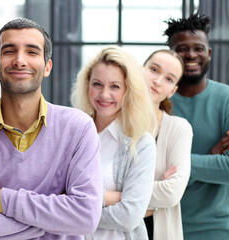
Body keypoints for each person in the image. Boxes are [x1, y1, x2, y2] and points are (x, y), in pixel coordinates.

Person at [0, 18, 102, 239]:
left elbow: (86, 218)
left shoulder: (79, 128)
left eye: (32, 52)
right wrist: (56, 220)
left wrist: (0, 199)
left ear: (47, 66)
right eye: (9, 51)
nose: (20, 61)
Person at [164, 12, 229, 240]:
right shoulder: (155, 103)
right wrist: (212, 157)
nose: (191, 54)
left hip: (218, 231)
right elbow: (150, 172)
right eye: (182, 48)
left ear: (208, 53)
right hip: (162, 228)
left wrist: (179, 163)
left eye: (198, 48)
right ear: (171, 55)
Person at [71, 45, 156, 240]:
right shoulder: (71, 132)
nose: (104, 94)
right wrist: (106, 197)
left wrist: (72, 209)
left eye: (115, 86)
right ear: (87, 84)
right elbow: (52, 193)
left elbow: (129, 216)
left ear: (128, 90)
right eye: (97, 84)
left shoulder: (141, 143)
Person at [142, 49, 193, 240]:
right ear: (140, 70)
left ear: (172, 91)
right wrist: (155, 191)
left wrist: (113, 196)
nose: (157, 81)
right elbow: (93, 190)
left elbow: (171, 193)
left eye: (169, 79)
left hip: (159, 232)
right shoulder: (111, 121)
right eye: (154, 70)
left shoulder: (179, 129)